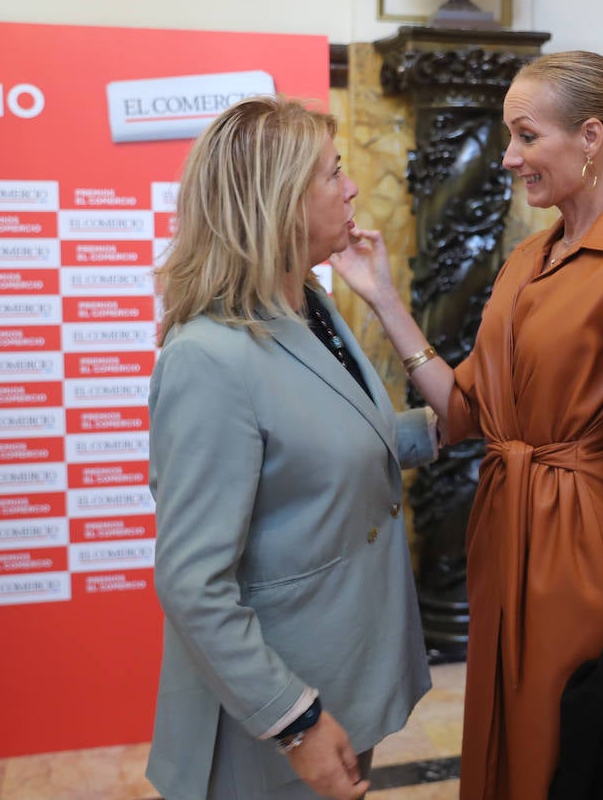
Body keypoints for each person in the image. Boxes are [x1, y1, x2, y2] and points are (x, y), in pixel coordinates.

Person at [333, 50, 603, 800]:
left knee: (559, 758)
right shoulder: (527, 259)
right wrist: (382, 297)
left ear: (592, 138)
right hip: (507, 535)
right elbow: (468, 411)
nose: (509, 158)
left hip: (581, 550)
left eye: (526, 137)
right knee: (507, 750)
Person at [145, 96, 437, 800]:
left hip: (344, 669)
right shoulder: (207, 358)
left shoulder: (311, 305)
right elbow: (192, 582)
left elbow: (316, 450)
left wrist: (429, 430)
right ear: (277, 201)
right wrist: (295, 722)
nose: (352, 188)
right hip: (271, 710)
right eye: (333, 173)